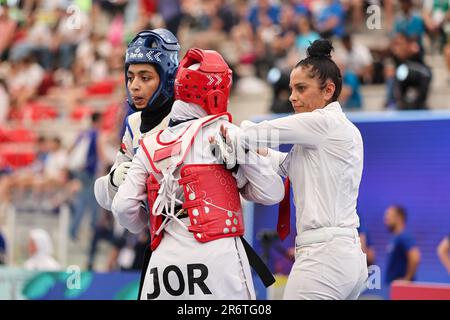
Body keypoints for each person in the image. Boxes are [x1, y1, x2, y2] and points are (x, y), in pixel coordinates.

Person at [112, 48, 284, 300]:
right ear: (217, 93)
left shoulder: (149, 144)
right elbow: (273, 192)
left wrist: (143, 222)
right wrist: (246, 156)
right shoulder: (225, 131)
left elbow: (122, 207)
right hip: (218, 261)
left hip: (163, 267)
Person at [218, 39, 368, 300]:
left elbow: (262, 133)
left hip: (324, 258)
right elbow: (285, 164)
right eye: (291, 89)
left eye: (301, 88)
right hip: (346, 257)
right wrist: (257, 151)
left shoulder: (323, 123)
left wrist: (229, 130)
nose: (292, 97)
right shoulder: (329, 132)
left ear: (328, 90)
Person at [93, 28, 180, 293]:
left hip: (197, 240)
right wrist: (115, 178)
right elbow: (110, 201)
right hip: (155, 242)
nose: (134, 86)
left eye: (145, 77)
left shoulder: (190, 119)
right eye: (130, 77)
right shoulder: (132, 124)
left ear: (167, 78)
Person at [384, 205, 421, 284]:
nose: (386, 220)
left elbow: (415, 257)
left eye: (389, 216)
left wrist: (407, 279)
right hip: (392, 288)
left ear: (399, 218)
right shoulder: (395, 238)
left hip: (401, 291)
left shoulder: (404, 237)